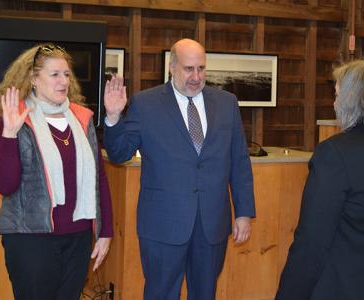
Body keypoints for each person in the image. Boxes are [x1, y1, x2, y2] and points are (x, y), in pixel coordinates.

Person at [104, 38, 256, 300]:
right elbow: (120, 153)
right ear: (172, 67)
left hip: (212, 224)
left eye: (201, 68)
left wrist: (243, 212)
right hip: (163, 224)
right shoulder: (146, 103)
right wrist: (114, 117)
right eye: (189, 69)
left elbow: (239, 160)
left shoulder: (226, 103)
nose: (196, 77)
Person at [0, 43, 113, 300]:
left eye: (67, 74)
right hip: (30, 239)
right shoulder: (14, 118)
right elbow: (4, 184)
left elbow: (98, 178)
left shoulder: (82, 118)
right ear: (33, 78)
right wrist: (9, 134)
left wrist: (105, 230)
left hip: (78, 238)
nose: (63, 81)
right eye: (54, 74)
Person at [276, 60, 364, 300]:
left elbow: (312, 242)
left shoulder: (334, 154)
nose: (334, 104)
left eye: (336, 95)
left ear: (350, 101)